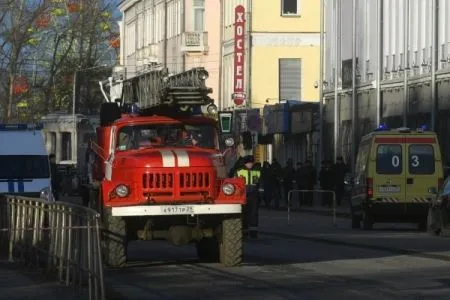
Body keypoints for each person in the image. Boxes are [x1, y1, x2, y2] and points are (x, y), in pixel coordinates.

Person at [235, 155, 261, 238]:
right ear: (245, 163)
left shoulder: (257, 171)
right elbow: (235, 183)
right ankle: (244, 231)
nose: (250, 164)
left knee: (254, 213)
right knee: (244, 213)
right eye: (248, 163)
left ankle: (253, 232)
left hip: (254, 195)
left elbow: (260, 183)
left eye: (251, 163)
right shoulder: (239, 171)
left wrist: (260, 192)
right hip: (243, 195)